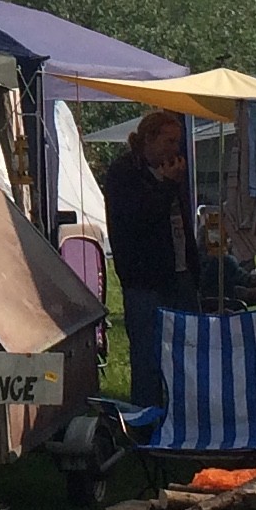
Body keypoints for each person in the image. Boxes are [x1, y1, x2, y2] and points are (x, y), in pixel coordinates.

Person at [101, 111, 199, 409]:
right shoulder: (124, 172)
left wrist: (195, 266)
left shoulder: (174, 170)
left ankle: (183, 413)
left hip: (179, 273)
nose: (175, 149)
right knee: (147, 355)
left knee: (185, 350)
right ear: (148, 139)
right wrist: (167, 185)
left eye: (177, 142)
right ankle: (146, 418)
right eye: (169, 141)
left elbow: (181, 221)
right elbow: (138, 219)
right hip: (144, 278)